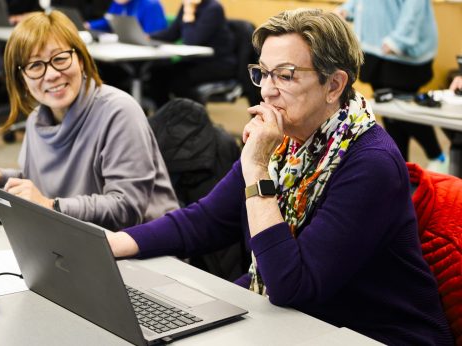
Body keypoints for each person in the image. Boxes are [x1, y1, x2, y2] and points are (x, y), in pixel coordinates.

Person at [107, 8, 453, 345]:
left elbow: (292, 285)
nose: (267, 91)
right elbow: (207, 219)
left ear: (334, 85)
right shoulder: (286, 139)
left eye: (285, 75)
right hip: (300, 320)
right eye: (263, 73)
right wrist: (117, 244)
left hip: (373, 333)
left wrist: (256, 170)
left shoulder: (371, 163)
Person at [0, 10, 179, 230]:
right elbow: (41, 183)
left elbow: (126, 209)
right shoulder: (37, 120)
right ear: (22, 80)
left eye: (60, 59)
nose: (51, 74)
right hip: (81, 237)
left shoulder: (119, 112)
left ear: (81, 60)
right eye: (35, 66)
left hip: (145, 249)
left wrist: (50, 206)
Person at [336, 0, 448, 173]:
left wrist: (398, 40)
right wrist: (347, 9)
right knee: (390, 115)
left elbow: (414, 7)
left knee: (404, 111)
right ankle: (401, 166)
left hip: (401, 52)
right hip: (374, 47)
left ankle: (437, 156)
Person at [146, 0, 236, 107]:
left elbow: (191, 40)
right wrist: (149, 37)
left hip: (218, 63)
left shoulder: (213, 8)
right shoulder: (187, 4)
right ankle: (165, 116)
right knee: (158, 73)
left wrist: (189, 13)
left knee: (178, 81)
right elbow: (172, 33)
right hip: (196, 61)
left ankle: (198, 118)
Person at [85, 0, 167, 34]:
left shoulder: (151, 5)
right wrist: (89, 25)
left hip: (148, 57)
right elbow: (108, 21)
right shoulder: (118, 3)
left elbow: (153, 36)